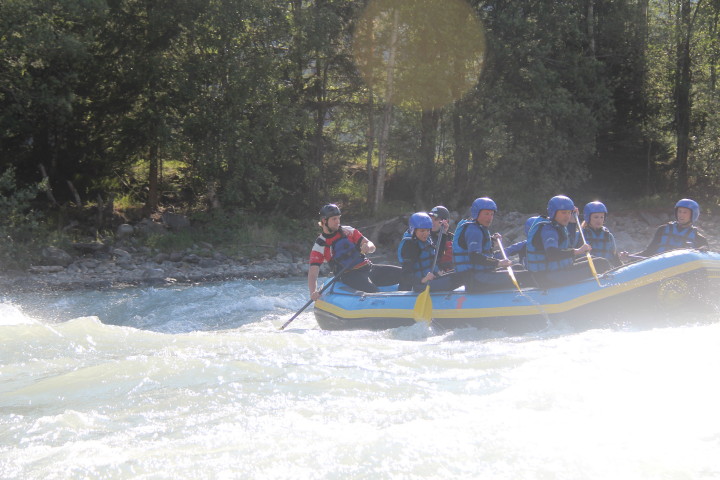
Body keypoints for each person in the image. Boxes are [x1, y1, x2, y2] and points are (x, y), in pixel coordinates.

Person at [308, 204, 401, 300]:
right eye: (334, 219)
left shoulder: (348, 231)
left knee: (406, 274)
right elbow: (313, 273)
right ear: (324, 221)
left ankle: (406, 303)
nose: (338, 222)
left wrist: (368, 247)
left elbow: (372, 246)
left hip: (369, 268)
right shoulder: (320, 245)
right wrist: (313, 292)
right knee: (374, 291)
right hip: (350, 275)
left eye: (339, 218)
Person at [526, 195, 612, 286]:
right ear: (553, 213)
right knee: (601, 263)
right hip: (548, 277)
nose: (567, 216)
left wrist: (572, 222)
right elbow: (552, 254)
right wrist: (578, 251)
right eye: (563, 213)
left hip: (556, 272)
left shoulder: (557, 226)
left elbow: (568, 243)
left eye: (569, 212)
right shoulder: (549, 230)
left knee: (597, 259)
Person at [452, 197, 517, 292]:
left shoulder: (478, 227)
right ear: (476, 213)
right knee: (524, 276)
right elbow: (475, 256)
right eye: (486, 214)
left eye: (491, 214)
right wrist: (498, 263)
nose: (490, 218)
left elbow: (481, 248)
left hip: (478, 275)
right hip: (475, 278)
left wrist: (492, 241)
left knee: (517, 267)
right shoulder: (473, 230)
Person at [397, 212, 458, 292]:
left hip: (430, 282)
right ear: (414, 230)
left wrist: (443, 233)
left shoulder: (427, 240)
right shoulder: (410, 246)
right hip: (418, 287)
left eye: (427, 230)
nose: (425, 234)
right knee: (458, 278)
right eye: (422, 231)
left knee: (459, 273)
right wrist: (423, 279)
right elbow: (405, 276)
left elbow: (437, 256)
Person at [635, 198, 709, 257]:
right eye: (679, 211)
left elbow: (705, 256)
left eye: (685, 212)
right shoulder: (662, 229)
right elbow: (648, 252)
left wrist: (702, 250)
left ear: (693, 215)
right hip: (658, 266)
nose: (681, 215)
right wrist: (630, 256)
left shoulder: (699, 238)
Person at [579, 201, 626, 267]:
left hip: (608, 270)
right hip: (589, 271)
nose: (599, 220)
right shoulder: (580, 235)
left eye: (602, 217)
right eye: (596, 217)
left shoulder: (609, 236)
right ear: (588, 218)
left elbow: (615, 258)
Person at [428, 205, 454, 273]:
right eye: (430, 219)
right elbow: (437, 256)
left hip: (450, 273)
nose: (432, 222)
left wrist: (444, 233)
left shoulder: (452, 238)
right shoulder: (426, 238)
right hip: (433, 274)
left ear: (446, 221)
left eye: (436, 219)